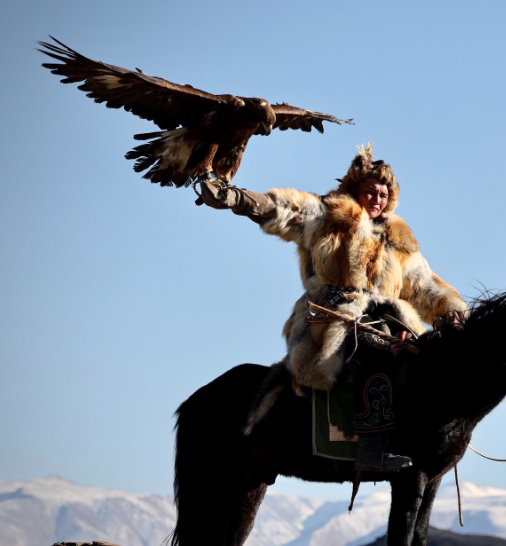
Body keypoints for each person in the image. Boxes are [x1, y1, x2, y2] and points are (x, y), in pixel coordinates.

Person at [198, 144, 467, 471]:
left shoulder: (398, 237)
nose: (377, 199)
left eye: (383, 194)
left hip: (389, 318)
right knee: (381, 354)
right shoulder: (330, 216)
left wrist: (452, 309)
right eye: (370, 192)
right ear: (356, 191)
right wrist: (238, 199)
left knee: (423, 361)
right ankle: (370, 449)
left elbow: (425, 284)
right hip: (335, 316)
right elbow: (286, 208)